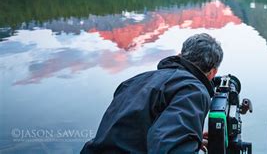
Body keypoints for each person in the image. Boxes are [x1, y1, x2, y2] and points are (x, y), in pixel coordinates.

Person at [82, 33, 223, 154]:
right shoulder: (193, 90)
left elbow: (127, 135)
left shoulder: (135, 80)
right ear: (212, 73)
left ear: (179, 55)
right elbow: (169, 148)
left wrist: (192, 141)